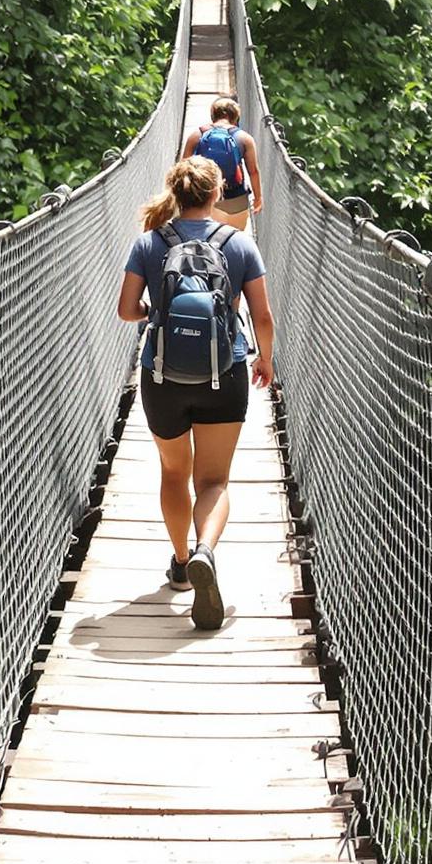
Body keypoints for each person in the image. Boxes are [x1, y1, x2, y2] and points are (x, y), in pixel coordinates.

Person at [115, 154, 275, 630]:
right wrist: (264, 359)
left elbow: (126, 310)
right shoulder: (239, 244)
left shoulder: (149, 242)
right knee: (214, 482)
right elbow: (262, 316)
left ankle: (183, 565)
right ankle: (206, 549)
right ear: (215, 194)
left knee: (173, 473)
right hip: (223, 375)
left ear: (176, 193)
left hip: (162, 376)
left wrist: (157, 313)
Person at [179, 98, 261, 234]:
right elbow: (253, 172)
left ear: (213, 115)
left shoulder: (197, 135)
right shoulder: (245, 139)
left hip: (205, 198)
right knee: (234, 240)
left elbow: (182, 170)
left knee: (209, 244)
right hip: (236, 199)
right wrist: (258, 198)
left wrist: (180, 199)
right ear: (236, 117)